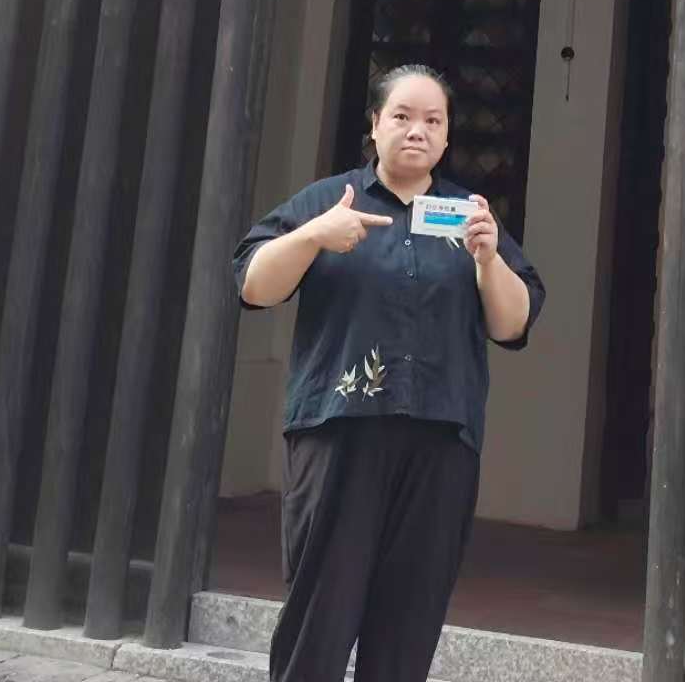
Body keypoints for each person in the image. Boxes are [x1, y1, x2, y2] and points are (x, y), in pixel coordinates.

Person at [232, 64, 545, 682]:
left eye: (433, 120)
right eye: (402, 116)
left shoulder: (469, 216)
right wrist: (314, 236)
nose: (417, 130)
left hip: (440, 442)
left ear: (447, 137)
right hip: (338, 434)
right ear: (375, 125)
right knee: (320, 614)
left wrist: (488, 260)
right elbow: (252, 284)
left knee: (409, 619)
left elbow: (513, 324)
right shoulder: (329, 200)